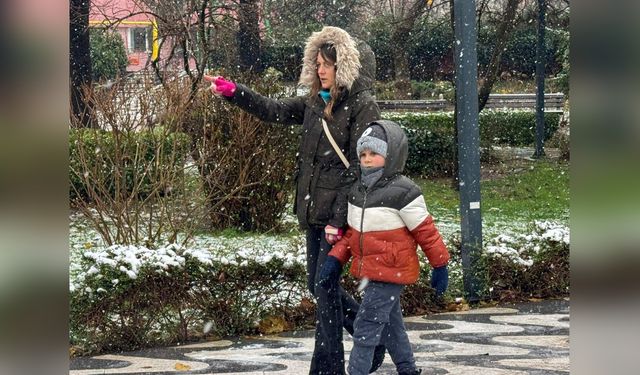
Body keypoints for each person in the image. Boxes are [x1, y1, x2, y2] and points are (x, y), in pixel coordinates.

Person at [204, 26, 385, 375]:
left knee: (324, 286)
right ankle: (370, 337)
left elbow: (361, 168)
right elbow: (272, 110)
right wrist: (234, 92)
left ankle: (327, 367)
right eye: (317, 63)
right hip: (314, 211)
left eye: (328, 64)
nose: (320, 70)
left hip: (337, 215)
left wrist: (338, 217)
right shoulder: (316, 104)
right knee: (319, 285)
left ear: (345, 67)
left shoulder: (363, 106)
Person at [318, 120, 450, 375]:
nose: (367, 159)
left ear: (390, 155)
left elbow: (426, 232)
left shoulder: (404, 191)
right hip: (372, 270)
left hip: (392, 269)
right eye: (363, 154)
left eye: (374, 154)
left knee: (366, 326)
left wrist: (440, 265)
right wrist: (335, 260)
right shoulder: (357, 191)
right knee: (391, 323)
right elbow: (354, 235)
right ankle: (408, 369)